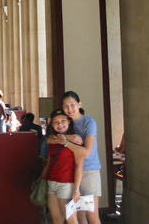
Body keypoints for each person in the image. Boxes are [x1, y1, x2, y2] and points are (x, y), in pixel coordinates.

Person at [48, 91, 101, 224]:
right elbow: (50, 138)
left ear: (79, 104)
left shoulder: (89, 123)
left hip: (89, 172)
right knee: (79, 216)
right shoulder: (65, 122)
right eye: (66, 106)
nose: (69, 109)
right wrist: (68, 138)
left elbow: (86, 152)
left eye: (72, 105)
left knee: (92, 215)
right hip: (71, 174)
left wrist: (65, 142)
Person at [35, 109, 83, 224]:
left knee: (71, 219)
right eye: (56, 122)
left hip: (66, 184)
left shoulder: (76, 140)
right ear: (52, 124)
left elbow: (79, 166)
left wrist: (76, 189)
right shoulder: (52, 140)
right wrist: (41, 178)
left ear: (69, 122)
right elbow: (49, 162)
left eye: (63, 120)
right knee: (56, 219)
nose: (60, 124)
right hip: (52, 183)